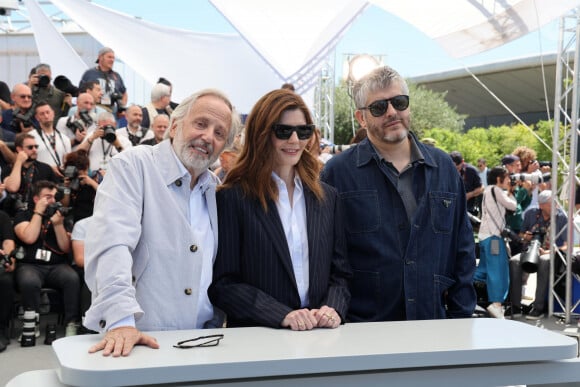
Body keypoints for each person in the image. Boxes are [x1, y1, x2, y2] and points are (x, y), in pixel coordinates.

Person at [83, 89, 240, 357]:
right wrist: (121, 322)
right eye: (201, 124)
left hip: (199, 343)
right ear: (175, 126)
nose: (207, 137)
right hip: (137, 341)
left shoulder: (215, 189)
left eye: (219, 133)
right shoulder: (133, 165)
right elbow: (112, 245)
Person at [321, 65, 476, 321]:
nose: (392, 112)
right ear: (362, 118)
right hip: (363, 330)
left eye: (399, 102)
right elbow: (326, 259)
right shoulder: (337, 173)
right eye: (379, 107)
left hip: (433, 325)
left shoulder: (444, 167)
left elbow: (463, 247)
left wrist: (460, 316)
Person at [208, 89, 351, 330]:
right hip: (258, 340)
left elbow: (341, 274)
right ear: (261, 134)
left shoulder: (327, 197)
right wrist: (281, 315)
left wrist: (333, 307)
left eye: (303, 131)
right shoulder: (233, 197)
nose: (295, 140)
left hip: (319, 337)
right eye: (284, 131)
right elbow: (224, 284)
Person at [13, 180, 80, 338]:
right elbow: (29, 237)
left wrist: (58, 225)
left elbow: (65, 248)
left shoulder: (59, 215)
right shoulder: (23, 214)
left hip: (56, 266)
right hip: (30, 265)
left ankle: (71, 322)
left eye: (54, 197)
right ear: (36, 199)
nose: (53, 201)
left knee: (72, 278)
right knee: (29, 281)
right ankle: (31, 322)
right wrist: (38, 214)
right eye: (48, 197)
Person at [509, 190, 567, 320]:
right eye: (552, 203)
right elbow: (521, 235)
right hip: (530, 250)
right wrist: (526, 237)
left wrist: (550, 251)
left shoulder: (562, 217)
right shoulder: (531, 213)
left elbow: (566, 245)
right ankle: (516, 306)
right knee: (514, 261)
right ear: (541, 205)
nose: (555, 205)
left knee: (544, 261)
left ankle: (538, 307)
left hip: (550, 252)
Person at [473, 166, 517, 319]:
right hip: (493, 238)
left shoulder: (488, 191)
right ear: (499, 178)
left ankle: (457, 286)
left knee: (483, 271)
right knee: (498, 271)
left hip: (485, 237)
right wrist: (511, 192)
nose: (509, 180)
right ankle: (496, 304)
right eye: (507, 178)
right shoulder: (496, 190)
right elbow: (513, 206)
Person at [3, 133, 59, 215]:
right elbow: (12, 188)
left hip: (40, 211)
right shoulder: (9, 169)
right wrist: (18, 162)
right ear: (19, 149)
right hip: (14, 213)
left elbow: (56, 189)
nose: (34, 150)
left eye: (36, 147)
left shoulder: (46, 168)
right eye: (30, 147)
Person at [79, 47, 127, 113]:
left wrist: (121, 108)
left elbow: (124, 93)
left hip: (112, 110)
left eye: (113, 58)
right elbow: (81, 92)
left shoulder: (116, 76)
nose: (112, 60)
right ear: (100, 57)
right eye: (109, 57)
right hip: (94, 109)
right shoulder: (89, 73)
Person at [31, 102, 71, 177]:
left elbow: (67, 162)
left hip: (60, 179)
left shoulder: (65, 139)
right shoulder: (31, 137)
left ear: (53, 113)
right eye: (42, 114)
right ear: (37, 117)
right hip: (40, 178)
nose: (46, 116)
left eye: (48, 112)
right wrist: (49, 168)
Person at [0, 209, 16, 352]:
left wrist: (8, 257)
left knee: (5, 280)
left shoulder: (2, 216)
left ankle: (1, 328)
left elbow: (8, 241)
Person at [450, 151, 484, 216]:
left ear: (462, 162)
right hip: (452, 207)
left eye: (457, 168)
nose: (455, 171)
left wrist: (468, 195)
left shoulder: (471, 170)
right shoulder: (447, 169)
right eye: (452, 168)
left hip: (468, 209)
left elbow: (481, 188)